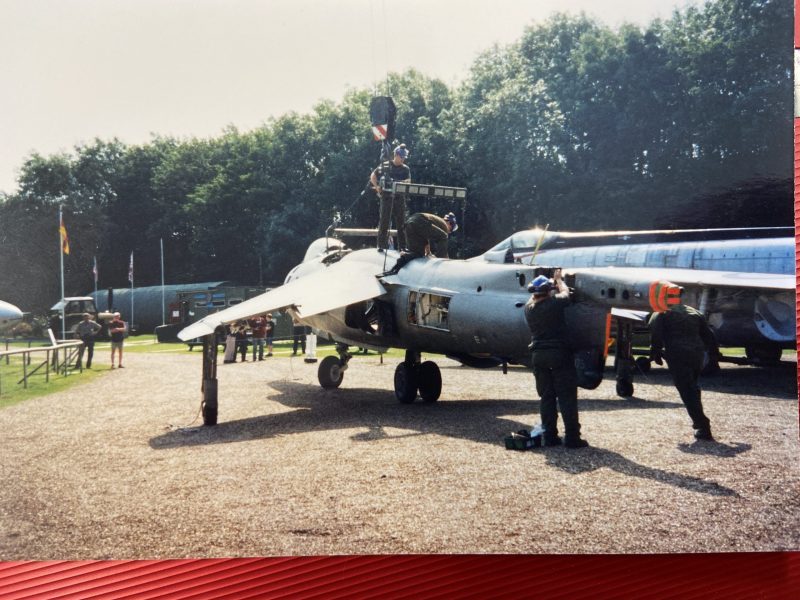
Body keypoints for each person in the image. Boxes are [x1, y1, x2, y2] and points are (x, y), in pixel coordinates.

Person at [524, 269, 588, 448]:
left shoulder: (528, 308)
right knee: (566, 396)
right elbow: (566, 294)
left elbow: (534, 296)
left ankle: (550, 436)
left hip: (538, 356)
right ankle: (572, 438)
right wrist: (559, 280)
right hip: (558, 354)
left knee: (546, 397)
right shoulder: (554, 303)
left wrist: (546, 286)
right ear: (549, 291)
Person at [648, 289, 720, 441]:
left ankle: (702, 426)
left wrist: (654, 352)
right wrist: (714, 356)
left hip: (677, 355)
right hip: (696, 355)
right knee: (692, 387)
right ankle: (701, 423)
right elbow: (709, 336)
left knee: (687, 390)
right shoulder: (694, 312)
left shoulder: (662, 313)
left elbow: (655, 334)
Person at [387, 212, 457, 274]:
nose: (449, 232)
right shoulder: (444, 225)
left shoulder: (435, 221)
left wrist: (428, 252)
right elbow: (443, 244)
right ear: (449, 223)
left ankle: (403, 258)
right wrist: (446, 261)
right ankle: (440, 263)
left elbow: (425, 236)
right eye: (450, 230)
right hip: (419, 221)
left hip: (409, 224)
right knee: (444, 236)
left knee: (418, 253)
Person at [371, 143, 411, 251]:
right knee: (384, 220)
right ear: (396, 155)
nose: (403, 159)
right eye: (402, 157)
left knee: (401, 222)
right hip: (387, 196)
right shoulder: (386, 165)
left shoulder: (405, 169)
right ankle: (381, 245)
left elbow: (408, 182)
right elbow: (373, 176)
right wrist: (377, 187)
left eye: (404, 157)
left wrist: (398, 182)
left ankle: (403, 247)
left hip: (399, 197)